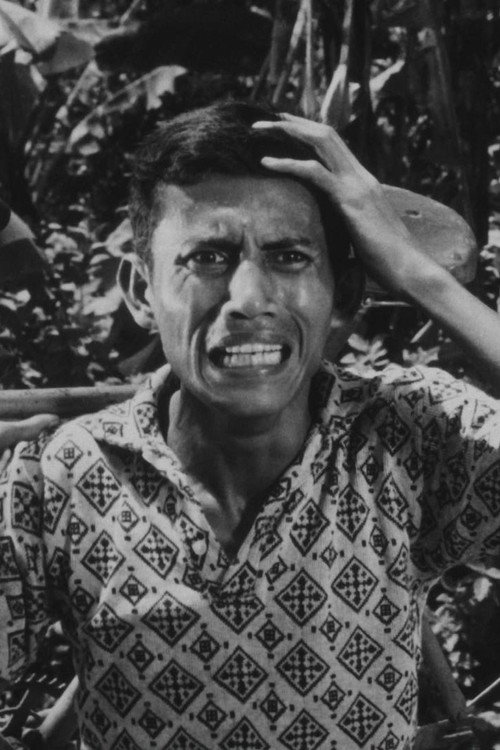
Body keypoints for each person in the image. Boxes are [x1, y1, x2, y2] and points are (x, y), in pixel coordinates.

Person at [1, 100, 500, 750]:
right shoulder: (63, 477)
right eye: (207, 257)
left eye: (289, 257)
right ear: (141, 291)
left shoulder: (406, 435)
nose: (248, 299)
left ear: (346, 291)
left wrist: (418, 275)